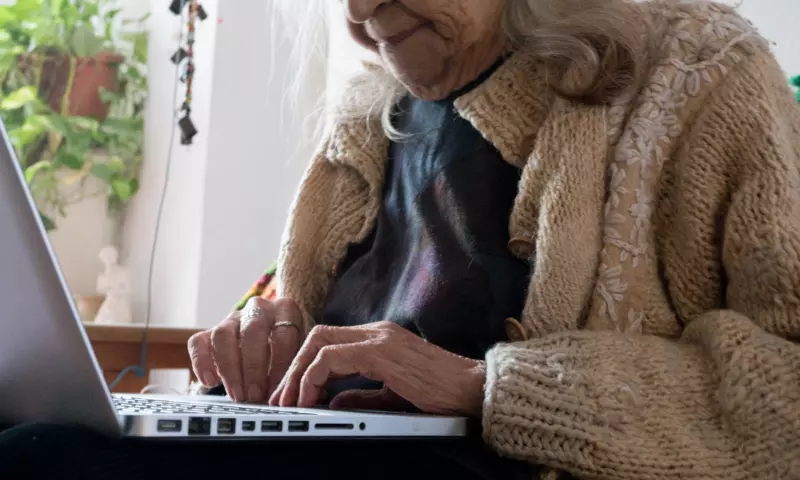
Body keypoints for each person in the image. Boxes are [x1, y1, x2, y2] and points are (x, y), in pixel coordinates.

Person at [2, 0, 799, 478]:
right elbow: (298, 306)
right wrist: (261, 329)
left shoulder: (698, 73)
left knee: (44, 462)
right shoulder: (364, 113)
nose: (358, 15)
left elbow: (786, 394)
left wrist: (486, 388)